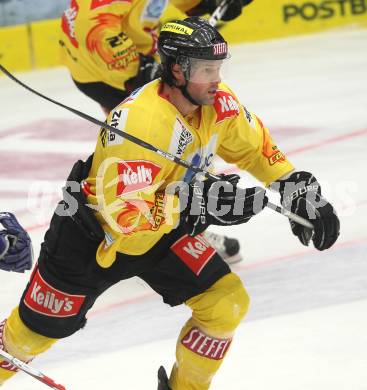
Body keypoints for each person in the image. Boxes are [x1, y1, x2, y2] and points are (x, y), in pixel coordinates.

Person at [0, 17, 340, 389]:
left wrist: (292, 185)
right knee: (25, 340)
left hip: (162, 231)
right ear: (178, 70)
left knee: (225, 304)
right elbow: (124, 218)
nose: (216, 78)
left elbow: (254, 147)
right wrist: (201, 206)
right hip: (90, 239)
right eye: (206, 69)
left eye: (218, 68)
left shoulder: (217, 102)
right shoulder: (141, 123)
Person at [59, 0, 253, 265]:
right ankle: (171, 228)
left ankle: (134, 221)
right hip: (102, 68)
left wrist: (205, 3)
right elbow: (92, 28)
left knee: (146, 146)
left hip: (112, 57)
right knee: (168, 137)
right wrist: (138, 69)